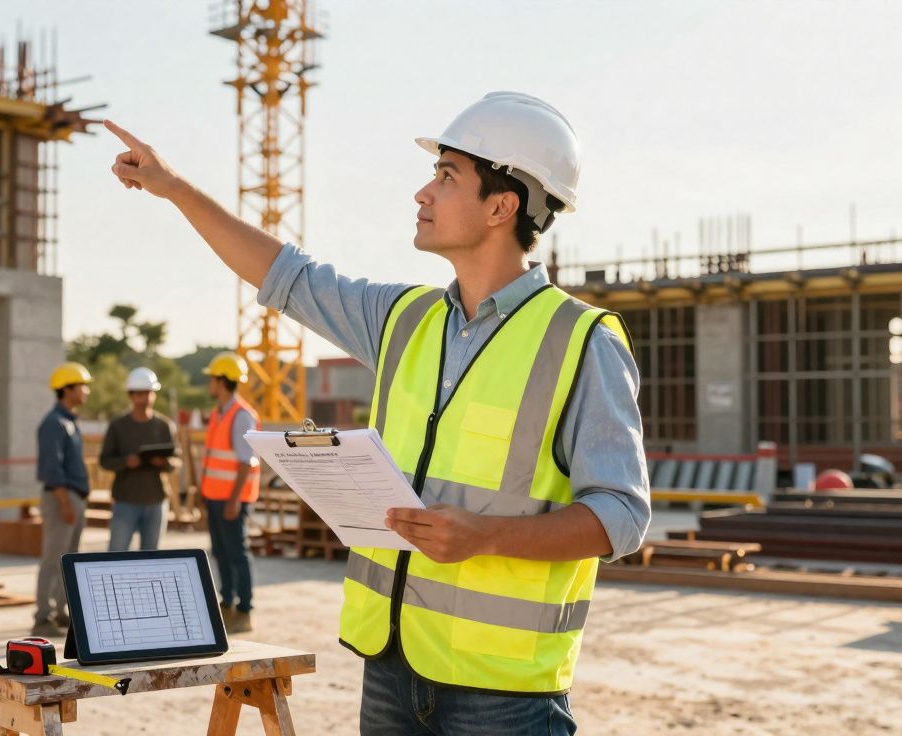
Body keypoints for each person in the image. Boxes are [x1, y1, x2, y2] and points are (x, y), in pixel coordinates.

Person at [104, 91, 650, 734]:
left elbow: (623, 514)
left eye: (447, 177)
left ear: (502, 206)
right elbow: (287, 275)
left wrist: (485, 536)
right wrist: (174, 189)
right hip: (390, 669)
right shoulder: (405, 319)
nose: (423, 193)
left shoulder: (582, 341)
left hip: (502, 696)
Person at [198, 351, 260, 634]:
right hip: (215, 496)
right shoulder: (218, 413)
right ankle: (227, 603)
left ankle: (244, 610)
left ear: (221, 381)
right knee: (221, 553)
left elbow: (246, 462)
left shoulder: (241, 415)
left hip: (231, 499)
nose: (209, 383)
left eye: (212, 378)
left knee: (237, 553)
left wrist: (234, 500)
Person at [33, 361, 92, 637]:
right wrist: (66, 503)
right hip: (61, 498)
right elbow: (51, 469)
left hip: (72, 496)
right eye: (82, 385)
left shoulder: (69, 421)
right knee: (52, 558)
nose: (86, 391)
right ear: (68, 389)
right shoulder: (53, 424)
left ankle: (61, 612)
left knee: (68, 559)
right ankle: (43, 616)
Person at [99, 366, 181, 551]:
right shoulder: (118, 426)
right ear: (131, 395)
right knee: (117, 556)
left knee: (151, 560)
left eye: (148, 393)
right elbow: (105, 460)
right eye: (139, 394)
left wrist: (164, 463)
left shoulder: (164, 426)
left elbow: (176, 462)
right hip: (125, 501)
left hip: (156, 501)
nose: (144, 398)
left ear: (153, 394)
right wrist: (126, 462)